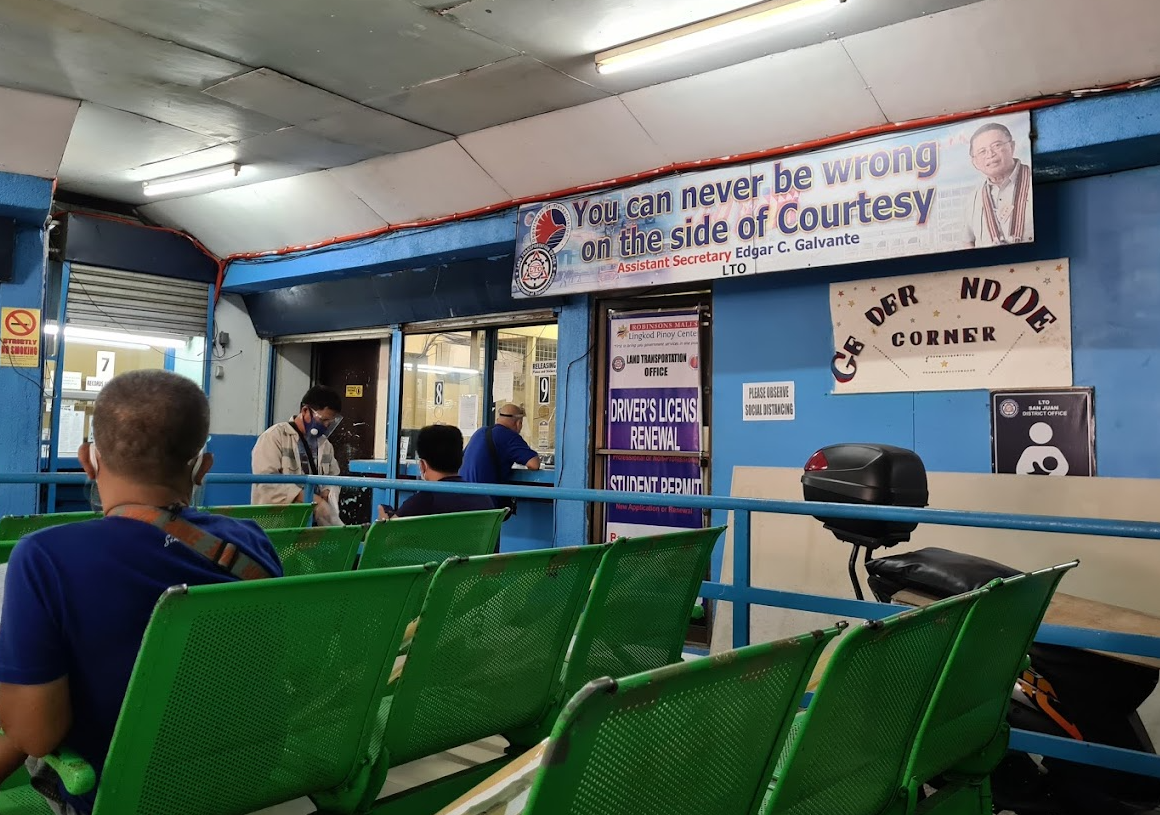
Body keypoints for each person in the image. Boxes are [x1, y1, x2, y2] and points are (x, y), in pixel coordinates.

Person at [0, 370, 282, 815]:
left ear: (88, 461)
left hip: (120, 796)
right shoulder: (252, 541)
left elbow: (36, 736)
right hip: (239, 778)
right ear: (203, 467)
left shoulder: (44, 557)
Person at [252, 385, 343, 526]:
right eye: (322, 420)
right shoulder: (274, 437)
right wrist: (311, 499)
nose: (325, 426)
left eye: (329, 423)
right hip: (277, 522)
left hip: (312, 524)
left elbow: (334, 476)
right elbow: (267, 482)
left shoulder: (325, 445)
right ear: (305, 411)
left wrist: (328, 491)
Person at [378, 424, 494, 520]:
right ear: (461, 460)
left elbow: (389, 537)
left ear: (422, 465)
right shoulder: (484, 500)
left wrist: (384, 522)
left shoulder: (421, 503)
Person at [964, 121, 1033, 248]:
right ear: (975, 162)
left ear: (1012, 146)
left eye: (996, 146)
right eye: (982, 151)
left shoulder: (1036, 181)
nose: (990, 154)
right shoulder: (973, 199)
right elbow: (968, 242)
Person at [461, 404, 541, 512]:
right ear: (519, 423)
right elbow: (534, 464)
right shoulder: (509, 436)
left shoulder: (480, 432)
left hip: (464, 498)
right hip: (485, 503)